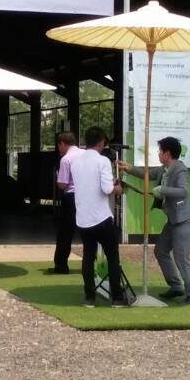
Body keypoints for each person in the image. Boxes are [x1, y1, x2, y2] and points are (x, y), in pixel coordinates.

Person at [122, 136, 190, 303]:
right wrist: (128, 168)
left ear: (167, 153)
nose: (158, 154)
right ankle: (176, 286)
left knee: (181, 258)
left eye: (160, 151)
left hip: (183, 220)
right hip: (173, 220)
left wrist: (162, 190)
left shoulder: (180, 169)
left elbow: (183, 191)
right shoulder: (164, 169)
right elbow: (147, 174)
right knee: (160, 250)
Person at [69, 127, 127, 307]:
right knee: (112, 257)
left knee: (88, 257)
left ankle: (89, 297)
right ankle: (117, 297)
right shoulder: (102, 161)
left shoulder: (75, 162)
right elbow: (107, 189)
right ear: (101, 142)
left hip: (83, 218)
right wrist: (118, 188)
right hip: (101, 217)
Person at [52, 130, 84, 274]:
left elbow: (63, 184)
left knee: (65, 232)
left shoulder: (66, 159)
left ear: (62, 144)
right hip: (86, 196)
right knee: (88, 231)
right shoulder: (86, 154)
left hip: (71, 197)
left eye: (59, 146)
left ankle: (61, 265)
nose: (59, 149)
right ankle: (89, 264)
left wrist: (57, 176)